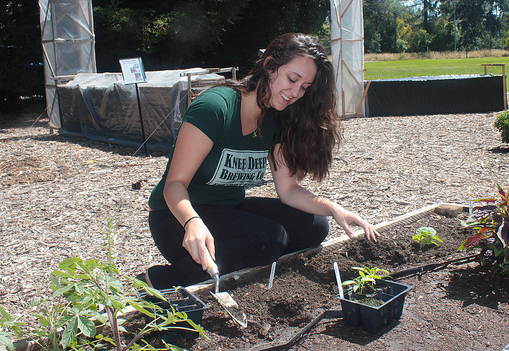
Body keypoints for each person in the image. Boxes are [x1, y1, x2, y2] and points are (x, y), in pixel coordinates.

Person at [144, 33, 379, 289]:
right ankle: (160, 280)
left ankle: (245, 263)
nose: (296, 93)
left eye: (304, 87)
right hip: (177, 217)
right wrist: (193, 223)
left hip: (227, 209)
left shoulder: (275, 119)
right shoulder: (215, 109)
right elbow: (174, 184)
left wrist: (333, 208)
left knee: (314, 226)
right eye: (292, 79)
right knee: (270, 238)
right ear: (268, 65)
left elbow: (288, 190)